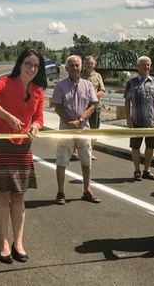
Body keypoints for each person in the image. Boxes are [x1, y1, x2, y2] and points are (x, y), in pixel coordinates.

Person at [0, 48, 46, 264]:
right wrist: (7, 117)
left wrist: (35, 126)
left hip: (22, 147)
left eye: (36, 65)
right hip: (0, 143)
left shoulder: (38, 90)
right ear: (19, 64)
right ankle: (4, 242)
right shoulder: (5, 82)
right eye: (28, 64)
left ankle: (18, 242)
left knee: (19, 195)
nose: (32, 69)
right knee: (2, 195)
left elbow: (39, 117)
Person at [52, 55, 100, 205]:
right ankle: (60, 192)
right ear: (66, 68)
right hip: (66, 129)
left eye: (77, 65)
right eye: (71, 66)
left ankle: (87, 190)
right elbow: (57, 106)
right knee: (62, 161)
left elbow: (92, 105)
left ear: (81, 67)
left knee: (86, 160)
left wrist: (80, 120)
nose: (75, 68)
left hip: (83, 128)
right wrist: (69, 122)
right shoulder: (60, 86)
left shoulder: (88, 85)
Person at [123, 56, 154, 181]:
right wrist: (128, 119)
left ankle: (147, 170)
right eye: (143, 65)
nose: (146, 67)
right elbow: (127, 101)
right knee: (135, 147)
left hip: (153, 121)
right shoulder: (131, 83)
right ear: (138, 67)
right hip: (137, 121)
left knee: (150, 147)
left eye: (148, 65)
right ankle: (137, 170)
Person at [81, 56, 106, 160]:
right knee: (80, 129)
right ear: (84, 64)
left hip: (95, 107)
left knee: (94, 130)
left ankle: (89, 151)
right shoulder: (80, 75)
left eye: (92, 63)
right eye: (88, 63)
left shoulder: (98, 76)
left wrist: (93, 96)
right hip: (82, 107)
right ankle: (75, 150)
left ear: (94, 65)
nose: (90, 65)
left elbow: (102, 91)